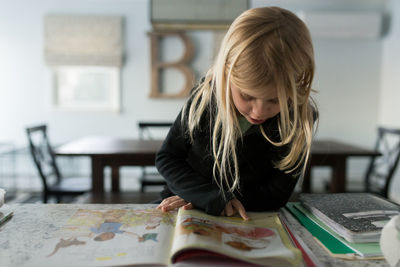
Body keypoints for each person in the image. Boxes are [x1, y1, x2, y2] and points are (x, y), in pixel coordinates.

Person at [155, 6, 318, 220]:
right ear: (226, 75)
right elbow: (168, 158)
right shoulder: (205, 98)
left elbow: (276, 195)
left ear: (298, 86)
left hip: (249, 217)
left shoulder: (300, 120)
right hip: (179, 205)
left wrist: (212, 200)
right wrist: (205, 197)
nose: (259, 110)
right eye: (248, 96)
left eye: (275, 100)